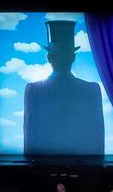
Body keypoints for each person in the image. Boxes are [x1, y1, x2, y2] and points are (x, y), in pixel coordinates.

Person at [24, 20, 105, 155]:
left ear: (49, 57)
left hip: (43, 170)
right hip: (85, 168)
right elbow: (98, 139)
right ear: (73, 57)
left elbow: (30, 139)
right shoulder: (92, 90)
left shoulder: (33, 91)